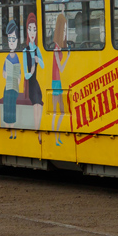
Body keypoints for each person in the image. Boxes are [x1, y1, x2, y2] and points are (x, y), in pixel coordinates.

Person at [50, 12, 71, 140]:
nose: (65, 33)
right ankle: (55, 136)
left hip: (58, 83)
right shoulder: (56, 50)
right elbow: (61, 69)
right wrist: (68, 57)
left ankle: (56, 135)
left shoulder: (58, 48)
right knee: (57, 112)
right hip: (56, 83)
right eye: (63, 30)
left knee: (59, 112)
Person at [22, 12, 44, 131]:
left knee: (39, 106)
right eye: (30, 29)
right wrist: (30, 72)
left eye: (34, 29)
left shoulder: (37, 49)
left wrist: (38, 59)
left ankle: (38, 130)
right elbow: (25, 73)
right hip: (31, 84)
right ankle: (37, 131)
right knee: (36, 105)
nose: (32, 32)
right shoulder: (25, 51)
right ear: (27, 31)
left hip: (36, 84)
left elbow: (43, 65)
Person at [1, 20, 21, 137]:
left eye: (13, 39)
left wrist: (17, 80)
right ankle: (8, 131)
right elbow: (3, 73)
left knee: (12, 108)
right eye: (9, 39)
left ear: (17, 40)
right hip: (8, 86)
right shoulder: (7, 57)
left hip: (13, 86)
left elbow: (18, 74)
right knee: (7, 106)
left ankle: (13, 131)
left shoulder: (16, 57)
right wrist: (7, 73)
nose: (11, 42)